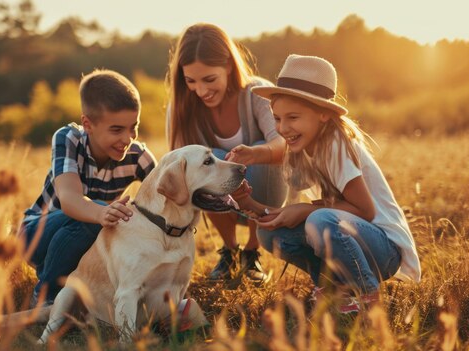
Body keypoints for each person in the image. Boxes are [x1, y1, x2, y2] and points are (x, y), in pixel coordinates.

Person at [238, 54, 421, 313]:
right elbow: (285, 214)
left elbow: (365, 211)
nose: (282, 128)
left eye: (293, 117)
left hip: (383, 249)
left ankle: (366, 295)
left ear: (323, 114)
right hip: (347, 237)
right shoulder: (301, 149)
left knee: (319, 220)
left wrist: (305, 210)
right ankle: (331, 287)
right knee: (269, 233)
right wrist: (246, 200)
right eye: (277, 118)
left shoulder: (335, 145)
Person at [20, 69, 156, 306]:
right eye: (116, 129)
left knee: (111, 224)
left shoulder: (138, 156)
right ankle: (45, 296)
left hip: (86, 241)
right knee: (95, 216)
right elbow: (70, 200)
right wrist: (102, 212)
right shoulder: (69, 138)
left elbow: (162, 196)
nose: (127, 138)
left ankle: (73, 280)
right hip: (36, 234)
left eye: (133, 127)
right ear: (88, 124)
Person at [165, 23, 287, 284]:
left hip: (266, 192)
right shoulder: (181, 107)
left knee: (258, 146)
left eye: (209, 79)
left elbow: (282, 144)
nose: (201, 90)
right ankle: (230, 250)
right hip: (220, 202)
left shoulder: (256, 93)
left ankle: (252, 251)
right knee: (210, 157)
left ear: (229, 67)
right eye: (191, 81)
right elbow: (178, 165)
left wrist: (255, 154)